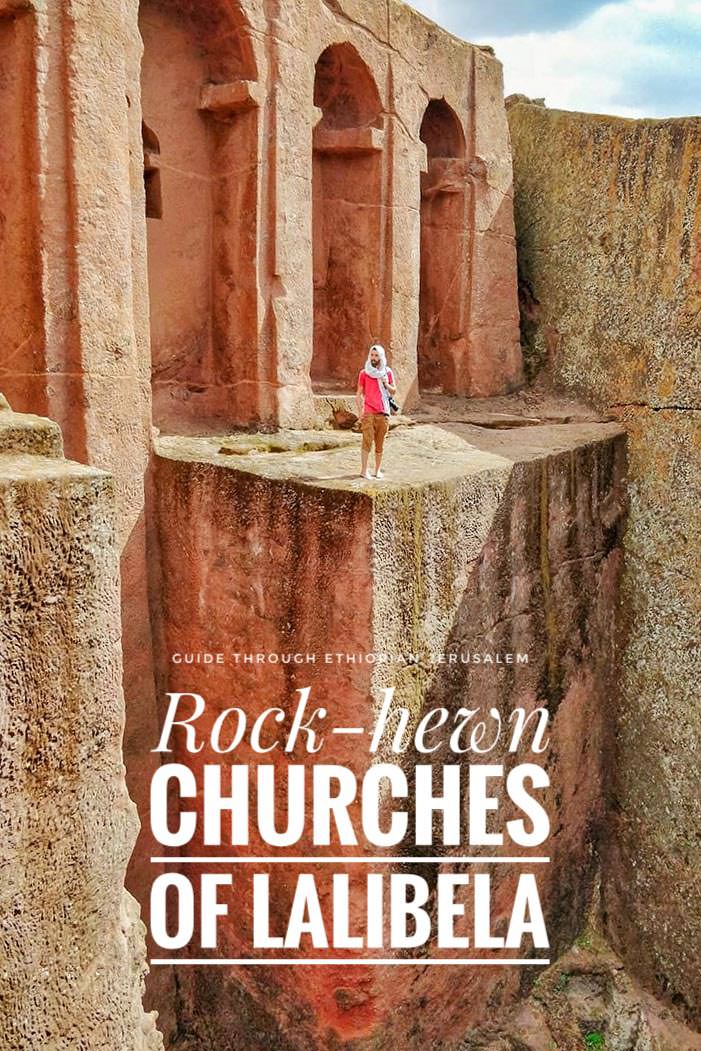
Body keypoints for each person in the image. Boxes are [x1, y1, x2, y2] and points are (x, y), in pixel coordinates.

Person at [356, 344, 397, 480]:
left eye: (376, 355)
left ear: (381, 356)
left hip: (383, 412)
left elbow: (394, 391)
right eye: (372, 355)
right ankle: (363, 470)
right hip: (369, 411)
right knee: (367, 440)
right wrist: (360, 411)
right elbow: (359, 394)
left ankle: (377, 470)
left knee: (380, 443)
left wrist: (386, 384)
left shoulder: (387, 372)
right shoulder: (364, 373)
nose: (374, 358)